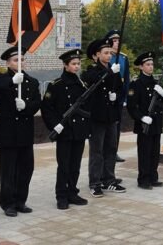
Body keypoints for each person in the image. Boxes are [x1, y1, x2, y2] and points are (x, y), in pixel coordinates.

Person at [0, 46, 41, 216]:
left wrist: (27, 106)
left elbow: (38, 104)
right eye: (16, 60)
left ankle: (20, 201)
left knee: (25, 169)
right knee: (8, 171)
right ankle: (8, 204)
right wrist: (11, 82)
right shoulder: (2, 79)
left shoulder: (32, 82)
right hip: (8, 134)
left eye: (23, 59)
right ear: (8, 63)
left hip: (25, 133)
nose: (21, 62)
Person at [41, 49, 91, 209]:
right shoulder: (56, 85)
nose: (77, 67)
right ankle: (61, 196)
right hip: (65, 131)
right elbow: (47, 108)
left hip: (79, 130)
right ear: (65, 65)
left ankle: (72, 192)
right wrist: (55, 124)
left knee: (75, 164)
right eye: (74, 64)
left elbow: (87, 106)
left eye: (78, 64)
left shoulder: (81, 84)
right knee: (64, 165)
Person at [83, 38, 125, 196]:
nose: (109, 55)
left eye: (110, 53)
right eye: (105, 53)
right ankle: (95, 182)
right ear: (96, 56)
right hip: (97, 117)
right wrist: (110, 73)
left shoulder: (114, 70)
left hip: (111, 116)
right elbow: (94, 80)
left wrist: (116, 96)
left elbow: (121, 89)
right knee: (97, 151)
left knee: (111, 149)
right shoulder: (92, 71)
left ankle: (109, 179)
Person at [127, 51, 163, 189]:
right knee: (144, 152)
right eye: (148, 64)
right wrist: (141, 117)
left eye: (152, 64)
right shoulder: (136, 84)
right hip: (144, 124)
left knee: (154, 152)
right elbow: (131, 106)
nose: (151, 67)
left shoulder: (156, 83)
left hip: (156, 123)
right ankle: (143, 179)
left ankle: (153, 177)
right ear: (141, 67)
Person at [105, 30, 129, 163]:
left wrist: (125, 98)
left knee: (117, 127)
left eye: (118, 40)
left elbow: (126, 79)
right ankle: (106, 151)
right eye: (114, 40)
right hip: (107, 95)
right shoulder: (107, 57)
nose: (117, 42)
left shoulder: (123, 58)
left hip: (118, 97)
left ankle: (114, 151)